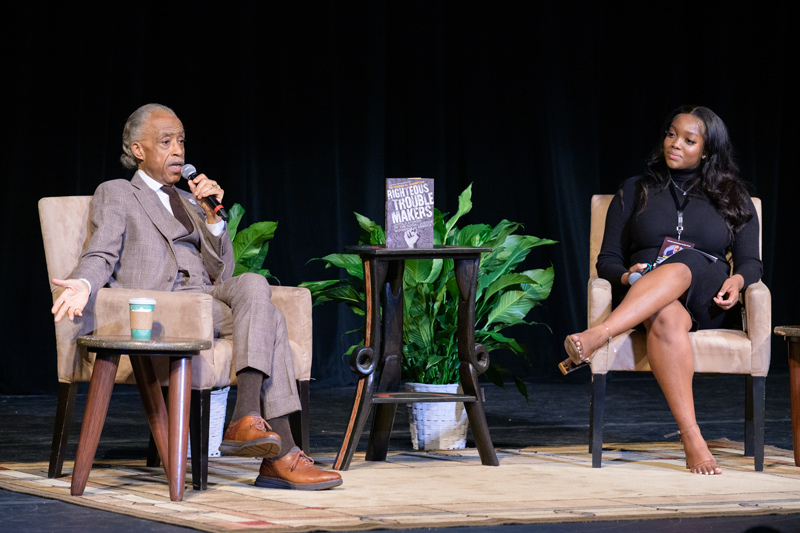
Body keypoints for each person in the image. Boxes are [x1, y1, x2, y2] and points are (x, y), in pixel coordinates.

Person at [50, 103, 342, 491]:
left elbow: (223, 271)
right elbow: (101, 251)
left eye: (182, 141)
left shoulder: (190, 201)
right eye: (166, 141)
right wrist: (84, 283)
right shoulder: (118, 193)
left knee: (254, 283)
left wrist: (214, 220)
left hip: (205, 296)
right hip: (164, 307)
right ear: (139, 149)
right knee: (271, 320)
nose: (179, 151)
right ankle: (281, 456)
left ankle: (247, 417)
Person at [563, 105, 762, 475]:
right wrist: (627, 276)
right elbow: (606, 260)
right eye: (671, 134)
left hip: (707, 294)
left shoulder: (734, 196)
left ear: (707, 151)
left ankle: (598, 335)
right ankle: (692, 438)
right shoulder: (635, 190)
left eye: (689, 140)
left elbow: (752, 262)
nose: (675, 145)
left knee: (682, 264)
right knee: (666, 318)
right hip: (646, 295)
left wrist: (737, 281)